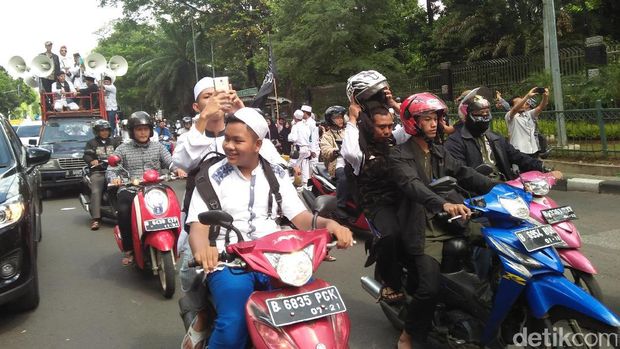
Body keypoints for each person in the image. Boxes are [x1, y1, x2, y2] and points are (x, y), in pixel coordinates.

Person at [187, 107, 354, 348]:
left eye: (237, 140)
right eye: (227, 138)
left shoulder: (275, 173)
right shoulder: (212, 175)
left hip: (275, 258)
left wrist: (331, 225)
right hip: (229, 261)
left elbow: (301, 217)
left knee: (314, 307)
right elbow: (199, 225)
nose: (229, 146)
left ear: (257, 144)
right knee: (234, 323)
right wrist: (203, 250)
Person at [389, 92, 497, 349]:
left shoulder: (439, 151)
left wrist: (506, 188)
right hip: (424, 228)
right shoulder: (399, 155)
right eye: (426, 119)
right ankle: (408, 333)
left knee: (499, 245)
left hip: (452, 220)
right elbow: (413, 185)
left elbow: (466, 174)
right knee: (429, 287)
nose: (433, 123)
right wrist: (444, 204)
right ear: (412, 122)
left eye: (435, 118)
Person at [341, 70, 410, 304]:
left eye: (390, 126)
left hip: (403, 197)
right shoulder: (359, 148)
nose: (387, 131)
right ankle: (388, 280)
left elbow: (412, 126)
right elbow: (350, 152)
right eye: (382, 127)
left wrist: (392, 103)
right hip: (377, 203)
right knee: (392, 235)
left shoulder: (394, 138)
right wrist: (352, 118)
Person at [107, 111, 187, 265]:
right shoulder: (123, 149)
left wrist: (177, 170)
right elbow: (112, 169)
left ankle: (177, 242)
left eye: (145, 129)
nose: (143, 132)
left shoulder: (158, 147)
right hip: (131, 189)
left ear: (151, 130)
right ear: (132, 131)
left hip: (155, 188)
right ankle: (129, 249)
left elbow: (170, 162)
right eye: (138, 129)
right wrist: (114, 178)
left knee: (174, 205)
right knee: (124, 210)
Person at [445, 89, 563, 181]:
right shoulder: (455, 142)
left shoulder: (495, 138)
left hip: (504, 188)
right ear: (467, 116)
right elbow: (463, 173)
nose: (485, 116)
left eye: (487, 112)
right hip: (477, 197)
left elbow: (517, 156)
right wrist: (490, 183)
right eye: (480, 113)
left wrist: (544, 167)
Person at [83, 120, 121, 230]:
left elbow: (121, 154)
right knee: (96, 191)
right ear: (97, 132)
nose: (104, 132)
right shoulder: (91, 143)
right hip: (98, 172)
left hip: (115, 171)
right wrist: (92, 161)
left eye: (106, 130)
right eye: (102, 130)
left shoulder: (114, 142)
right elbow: (86, 156)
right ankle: (95, 219)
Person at [319, 105, 348, 214]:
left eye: (341, 117)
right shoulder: (327, 136)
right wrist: (335, 151)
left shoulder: (348, 131)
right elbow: (325, 150)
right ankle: (340, 206)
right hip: (337, 163)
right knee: (344, 177)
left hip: (352, 161)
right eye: (337, 118)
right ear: (330, 120)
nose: (340, 120)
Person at [505, 87, 550, 157]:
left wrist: (545, 96)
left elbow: (541, 107)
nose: (522, 104)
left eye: (523, 102)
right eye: (519, 103)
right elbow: (514, 110)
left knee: (535, 168)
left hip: (533, 150)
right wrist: (527, 96)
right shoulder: (510, 116)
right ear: (511, 107)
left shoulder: (528, 114)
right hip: (519, 151)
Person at [288, 106, 319, 188]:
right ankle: (305, 184)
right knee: (304, 165)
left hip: (299, 149)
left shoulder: (297, 126)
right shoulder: (305, 126)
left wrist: (289, 137)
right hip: (307, 149)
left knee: (291, 165)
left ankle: (289, 183)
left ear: (295, 117)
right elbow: (310, 139)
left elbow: (293, 138)